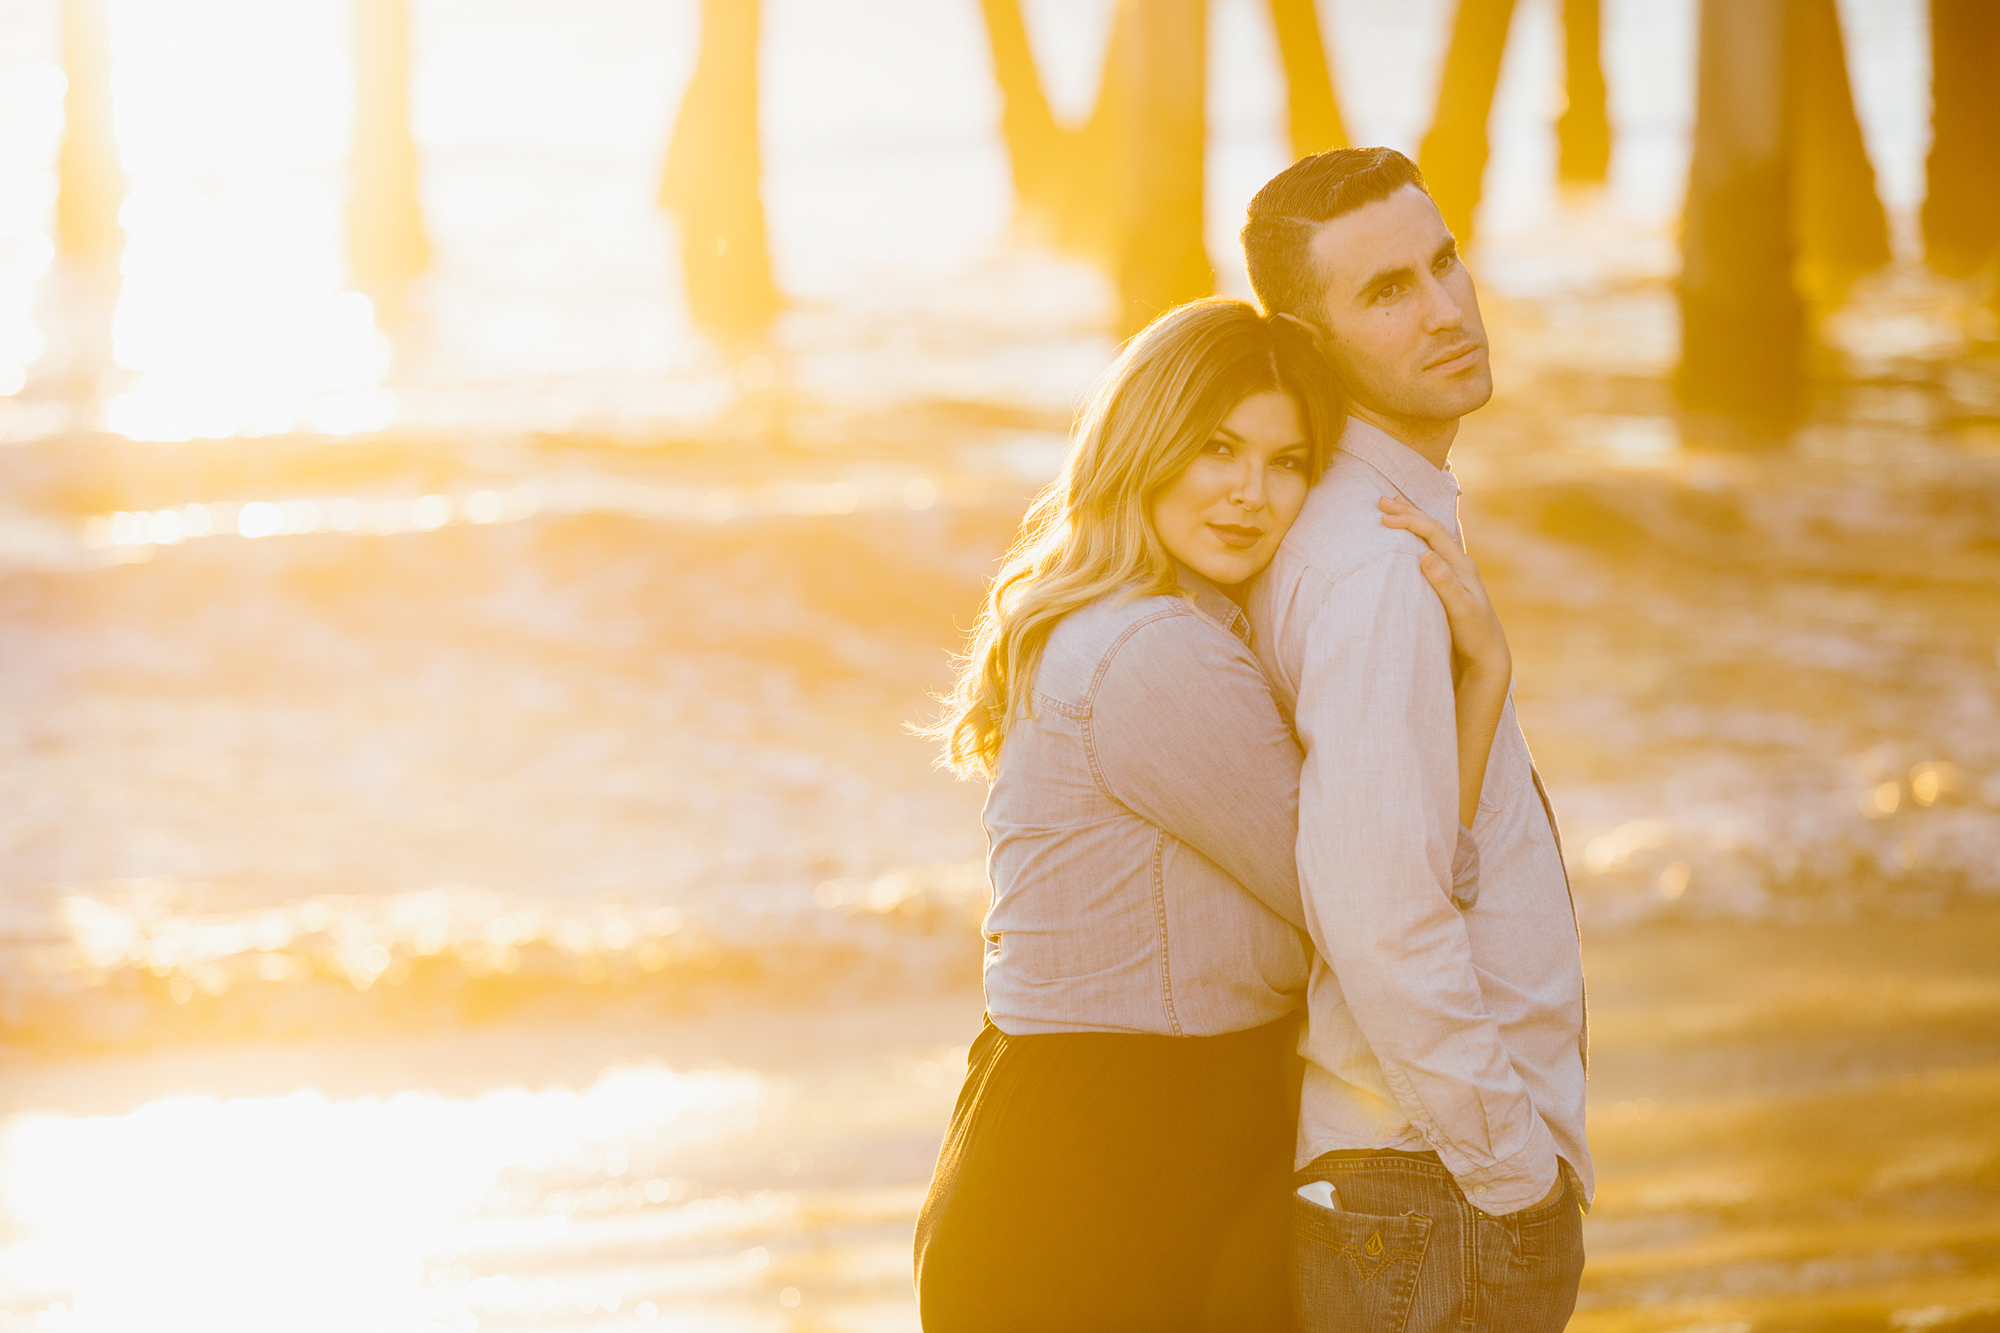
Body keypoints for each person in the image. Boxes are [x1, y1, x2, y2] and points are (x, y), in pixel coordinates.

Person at [912, 297, 1514, 1332]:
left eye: (1287, 462)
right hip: (1105, 1183)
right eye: (1215, 448)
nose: (1251, 493)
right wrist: (1481, 679)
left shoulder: (1133, 626)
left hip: (1111, 1150)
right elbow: (1378, 897)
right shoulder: (1155, 653)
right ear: (1141, 447)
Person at [1240, 148, 1592, 1332]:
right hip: (1435, 1199)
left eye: (1442, 261)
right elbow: (1379, 910)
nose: (1446, 308)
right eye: (1385, 291)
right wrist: (1514, 1176)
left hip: (1413, 1191)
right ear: (1306, 337)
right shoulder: (1373, 565)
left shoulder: (1366, 527)